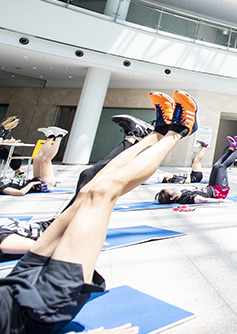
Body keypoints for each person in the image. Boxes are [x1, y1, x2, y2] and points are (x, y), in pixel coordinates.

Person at [0, 89, 198, 334]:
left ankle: (157, 132)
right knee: (101, 192)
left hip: (14, 283)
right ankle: (177, 132)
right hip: (40, 306)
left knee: (87, 190)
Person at [61, 115, 151, 212]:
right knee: (90, 178)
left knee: (87, 177)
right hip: (64, 222)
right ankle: (138, 137)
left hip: (58, 223)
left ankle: (136, 139)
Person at [155, 135, 237, 204]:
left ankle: (231, 149)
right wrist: (221, 200)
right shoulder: (186, 198)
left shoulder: (181, 193)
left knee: (215, 166)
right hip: (219, 193)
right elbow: (202, 200)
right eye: (172, 190)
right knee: (222, 167)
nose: (174, 188)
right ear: (172, 198)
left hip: (212, 187)